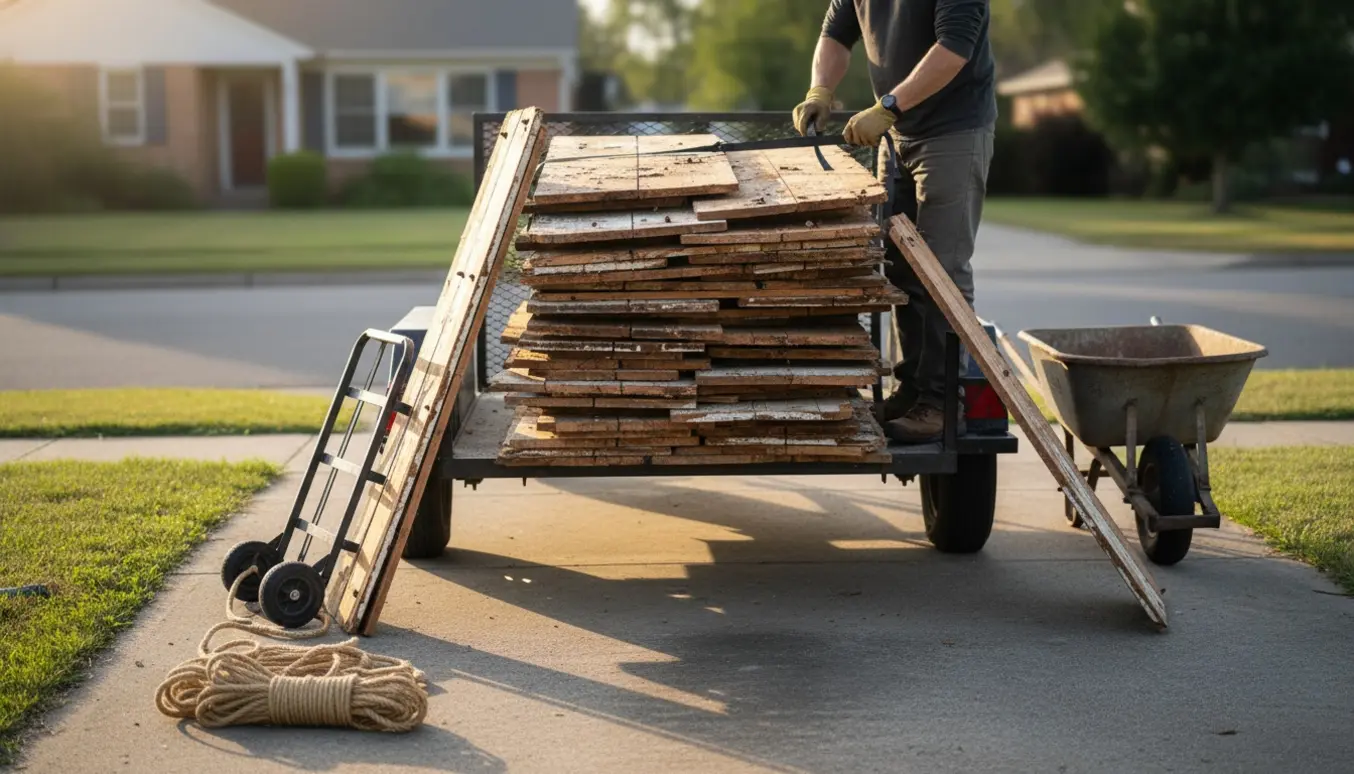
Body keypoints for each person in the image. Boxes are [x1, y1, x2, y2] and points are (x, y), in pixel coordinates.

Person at [793, 0, 996, 443]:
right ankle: (914, 389)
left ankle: (943, 404)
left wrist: (888, 106)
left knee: (941, 271)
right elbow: (835, 34)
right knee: (901, 268)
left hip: (952, 132)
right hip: (897, 135)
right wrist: (819, 90)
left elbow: (954, 49)